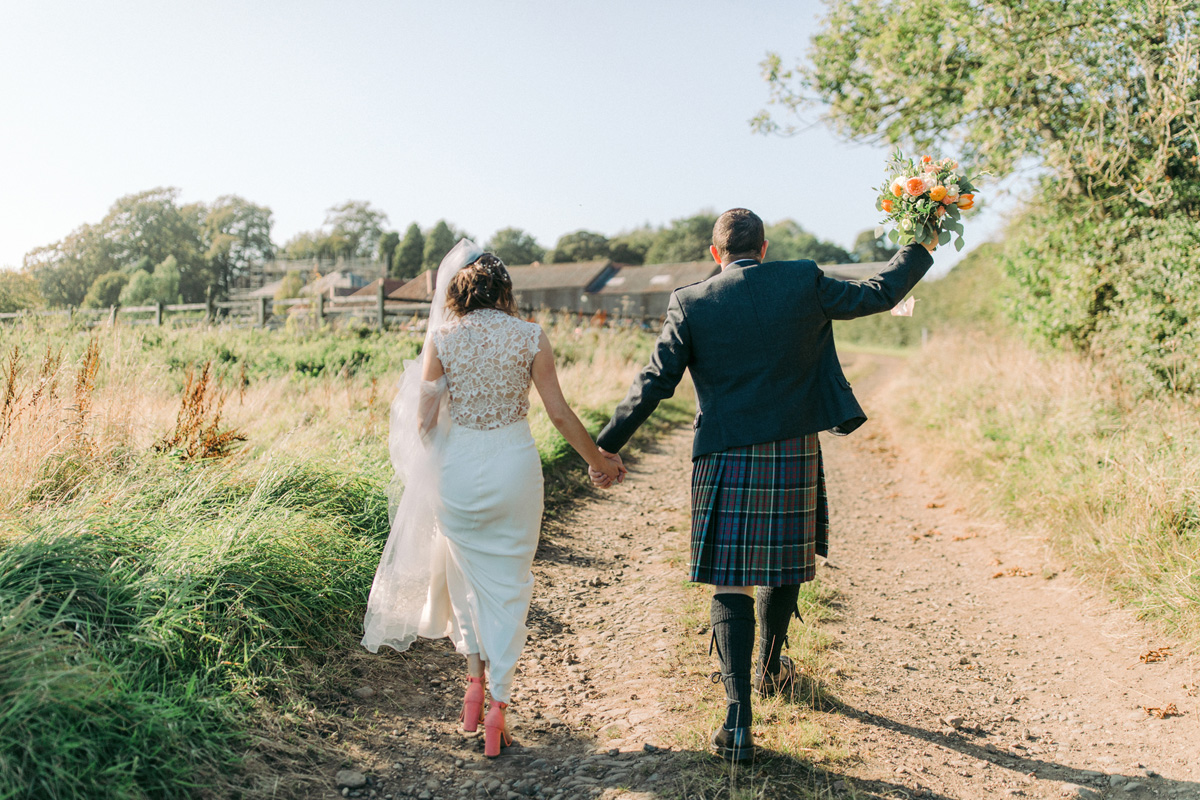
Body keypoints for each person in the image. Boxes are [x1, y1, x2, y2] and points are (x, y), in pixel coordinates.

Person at [590, 208, 934, 761]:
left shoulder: (692, 301)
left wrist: (605, 446)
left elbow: (655, 381)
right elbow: (877, 292)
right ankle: (773, 665)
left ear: (715, 253)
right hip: (793, 446)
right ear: (765, 247)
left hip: (724, 452)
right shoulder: (802, 279)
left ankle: (739, 719)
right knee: (784, 560)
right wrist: (921, 243)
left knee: (732, 578)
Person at [362, 240, 624, 758]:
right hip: (514, 468)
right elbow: (559, 414)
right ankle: (498, 708)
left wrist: (443, 466)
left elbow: (422, 421)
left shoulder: (442, 337)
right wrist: (598, 461)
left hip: (459, 473)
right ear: (505, 290)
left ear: (457, 291)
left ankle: (473, 686)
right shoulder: (531, 337)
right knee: (509, 585)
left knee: (464, 580)